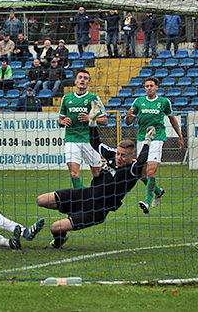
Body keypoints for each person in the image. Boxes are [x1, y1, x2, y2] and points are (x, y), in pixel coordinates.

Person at [36, 124, 155, 249]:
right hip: (85, 195)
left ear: (131, 157)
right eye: (118, 154)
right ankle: (72, 214)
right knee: (41, 200)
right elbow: (95, 143)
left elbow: (141, 161)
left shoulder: (132, 170)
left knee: (55, 228)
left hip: (96, 210)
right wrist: (92, 123)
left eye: (123, 155)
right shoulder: (111, 156)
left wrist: (147, 142)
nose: (119, 157)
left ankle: (60, 240)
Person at [124, 77, 183, 214]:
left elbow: (172, 118)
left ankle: (147, 202)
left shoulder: (163, 102)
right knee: (141, 174)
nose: (149, 88)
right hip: (142, 140)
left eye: (151, 85)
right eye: (146, 86)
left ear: (157, 87)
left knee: (151, 172)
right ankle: (158, 191)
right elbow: (128, 122)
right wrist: (129, 116)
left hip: (157, 139)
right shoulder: (138, 101)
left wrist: (180, 136)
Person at [58, 68, 107, 188]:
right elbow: (60, 120)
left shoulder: (94, 98)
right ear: (75, 81)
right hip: (71, 139)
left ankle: (97, 198)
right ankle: (82, 199)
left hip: (90, 140)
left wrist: (90, 119)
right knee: (74, 173)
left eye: (85, 78)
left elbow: (105, 121)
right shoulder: (67, 98)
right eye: (80, 77)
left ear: (89, 83)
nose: (82, 80)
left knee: (97, 173)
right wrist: (63, 121)